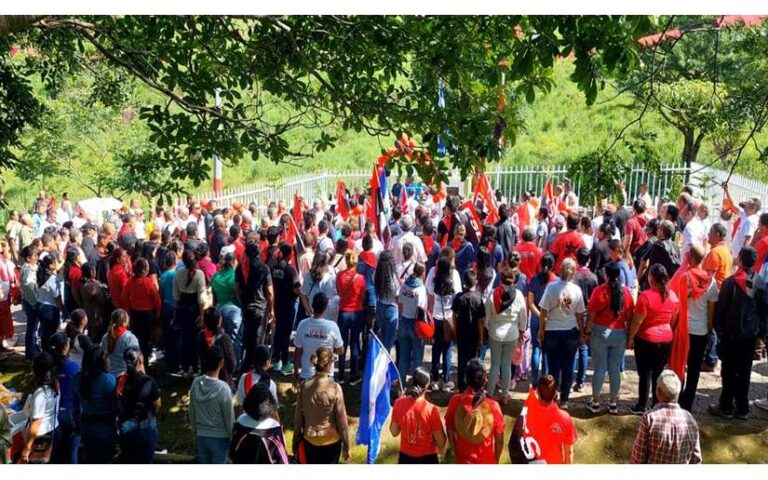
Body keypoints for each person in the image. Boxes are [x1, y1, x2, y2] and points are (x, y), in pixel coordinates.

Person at [709, 247, 768, 420]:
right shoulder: (759, 283)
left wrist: (719, 328)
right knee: (744, 371)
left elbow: (721, 309)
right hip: (749, 335)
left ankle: (725, 406)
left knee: (728, 371)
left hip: (732, 334)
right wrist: (760, 331)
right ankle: (742, 407)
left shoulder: (731, 282)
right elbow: (763, 309)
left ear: (740, 260)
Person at [628, 264, 679, 415]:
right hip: (666, 339)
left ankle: (641, 405)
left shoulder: (646, 296)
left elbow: (637, 321)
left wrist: (630, 338)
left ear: (651, 278)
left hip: (646, 339)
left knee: (645, 374)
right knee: (658, 373)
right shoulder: (673, 296)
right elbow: (673, 319)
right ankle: (657, 404)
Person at [586, 263, 634, 414]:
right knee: (614, 369)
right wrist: (630, 336)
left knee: (600, 368)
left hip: (600, 331)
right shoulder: (625, 292)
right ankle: (613, 403)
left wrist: (587, 331)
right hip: (619, 332)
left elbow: (592, 315)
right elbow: (629, 316)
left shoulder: (599, 291)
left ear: (606, 275)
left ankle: (595, 401)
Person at [538, 258, 585, 409]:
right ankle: (564, 398)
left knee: (553, 367)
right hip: (570, 332)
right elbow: (579, 315)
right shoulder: (576, 291)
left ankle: (552, 396)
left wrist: (541, 329)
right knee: (568, 366)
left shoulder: (551, 288)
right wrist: (582, 332)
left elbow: (543, 311)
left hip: (552, 331)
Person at [675, 246, 718, 412]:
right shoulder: (711, 281)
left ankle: (676, 397)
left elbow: (678, 303)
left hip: (684, 329)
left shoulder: (685, 277)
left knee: (680, 365)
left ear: (689, 257)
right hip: (700, 330)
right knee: (694, 368)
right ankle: (688, 402)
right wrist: (709, 329)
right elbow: (711, 309)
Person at [293, 346, 351, 464]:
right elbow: (342, 422)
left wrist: (295, 442)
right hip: (332, 442)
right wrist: (346, 445)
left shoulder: (304, 386)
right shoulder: (335, 388)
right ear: (328, 364)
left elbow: (298, 418)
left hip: (310, 440)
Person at [631, 370, 702, 464]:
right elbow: (696, 460)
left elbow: (637, 458)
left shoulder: (649, 419)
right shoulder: (690, 420)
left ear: (659, 392)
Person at [444, 359, 504, 464]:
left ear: (465, 379)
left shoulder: (455, 401)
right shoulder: (493, 406)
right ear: (485, 380)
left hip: (462, 460)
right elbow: (499, 441)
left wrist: (456, 453)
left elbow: (450, 431)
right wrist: (496, 460)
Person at [508, 375, 577, 464]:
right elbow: (569, 452)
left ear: (537, 392)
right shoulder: (565, 418)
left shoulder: (528, 410)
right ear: (556, 394)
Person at [485, 268, 527, 403]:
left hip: (495, 333)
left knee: (495, 364)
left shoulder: (492, 294)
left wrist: (489, 327)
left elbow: (487, 317)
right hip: (512, 334)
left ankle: (490, 392)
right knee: (507, 364)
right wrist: (521, 330)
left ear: (500, 280)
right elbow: (523, 315)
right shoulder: (519, 295)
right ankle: (505, 394)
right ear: (513, 281)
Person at [189, 345, 235, 464]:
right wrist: (232, 438)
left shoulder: (196, 383)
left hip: (201, 436)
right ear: (222, 363)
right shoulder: (224, 389)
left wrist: (195, 430)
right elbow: (229, 418)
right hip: (219, 438)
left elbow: (192, 410)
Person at [390, 368, 447, 464]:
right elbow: (441, 442)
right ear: (427, 386)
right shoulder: (431, 410)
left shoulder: (399, 403)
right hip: (428, 458)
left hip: (405, 458)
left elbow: (394, 432)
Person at [73, 345, 117, 463]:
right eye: (107, 357)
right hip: (105, 427)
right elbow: (116, 404)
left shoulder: (78, 378)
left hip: (86, 426)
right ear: (101, 361)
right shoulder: (109, 380)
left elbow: (74, 405)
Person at [425, 249, 461, 391]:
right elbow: (457, 296)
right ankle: (446, 380)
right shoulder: (455, 276)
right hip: (448, 318)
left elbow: (429, 295)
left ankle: (434, 380)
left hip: (435, 318)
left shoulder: (433, 273)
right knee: (447, 350)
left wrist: (430, 313)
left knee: (436, 348)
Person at [117, 348, 161, 464]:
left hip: (125, 426)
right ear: (140, 359)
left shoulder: (121, 380)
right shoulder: (147, 381)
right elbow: (157, 404)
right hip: (144, 427)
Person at [229, 382, 289, 464]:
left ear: (249, 400)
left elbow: (233, 449)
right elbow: (281, 458)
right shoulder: (274, 428)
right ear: (269, 404)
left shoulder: (240, 421)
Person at [293, 292, 344, 383]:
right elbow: (341, 350)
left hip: (306, 376)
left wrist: (296, 374)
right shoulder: (332, 326)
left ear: (312, 305)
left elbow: (297, 354)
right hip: (326, 376)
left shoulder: (302, 324)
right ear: (325, 307)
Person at [20, 352, 59, 464]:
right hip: (52, 430)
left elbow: (37, 423)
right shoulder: (55, 384)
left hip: (40, 439)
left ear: (37, 371)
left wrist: (27, 448)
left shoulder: (41, 394)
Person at [48, 332, 80, 463]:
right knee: (72, 449)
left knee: (56, 450)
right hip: (70, 413)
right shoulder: (73, 367)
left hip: (52, 413)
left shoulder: (49, 366)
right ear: (66, 346)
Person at [335, 250, 366, 385]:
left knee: (342, 343)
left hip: (343, 312)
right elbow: (363, 296)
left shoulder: (339, 275)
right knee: (355, 343)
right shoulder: (360, 278)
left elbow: (338, 292)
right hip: (356, 312)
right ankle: (353, 375)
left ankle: (341, 374)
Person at [174, 249, 207, 375]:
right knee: (195, 339)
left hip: (183, 309)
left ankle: (186, 366)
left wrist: (178, 312)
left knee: (185, 338)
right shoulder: (199, 274)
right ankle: (195, 365)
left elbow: (176, 296)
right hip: (195, 311)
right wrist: (202, 314)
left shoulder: (178, 274)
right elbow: (201, 298)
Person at [451, 271, 486, 392]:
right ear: (475, 282)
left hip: (461, 333)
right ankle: (473, 385)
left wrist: (455, 329)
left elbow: (454, 315)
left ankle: (461, 386)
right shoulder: (478, 299)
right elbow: (481, 321)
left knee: (461, 359)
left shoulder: (459, 297)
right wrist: (481, 337)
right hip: (474, 334)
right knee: (473, 361)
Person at [122, 258, 161, 362]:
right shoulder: (148, 282)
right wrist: (158, 313)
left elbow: (124, 296)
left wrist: (128, 310)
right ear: (145, 269)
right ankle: (145, 358)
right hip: (147, 314)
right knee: (147, 338)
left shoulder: (131, 281)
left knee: (138, 337)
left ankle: (137, 357)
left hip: (135, 313)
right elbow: (156, 299)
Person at [269, 243, 300, 373]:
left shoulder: (273, 267)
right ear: (290, 255)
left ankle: (276, 361)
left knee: (278, 333)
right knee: (285, 334)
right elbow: (297, 288)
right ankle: (286, 362)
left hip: (277, 304)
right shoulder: (291, 270)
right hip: (288, 305)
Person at [398, 263, 429, 378]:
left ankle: (401, 387)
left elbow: (400, 303)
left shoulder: (405, 285)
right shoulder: (420, 289)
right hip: (415, 324)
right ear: (422, 273)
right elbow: (421, 309)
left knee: (403, 357)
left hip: (404, 321)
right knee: (417, 358)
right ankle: (416, 385)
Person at [198, 308, 237, 388]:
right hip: (223, 379)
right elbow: (232, 362)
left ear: (204, 322)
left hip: (205, 377)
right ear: (219, 321)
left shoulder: (200, 336)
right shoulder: (224, 338)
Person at [236, 344, 279, 410]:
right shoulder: (271, 384)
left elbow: (240, 404)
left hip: (246, 417)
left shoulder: (244, 378)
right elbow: (273, 410)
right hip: (263, 418)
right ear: (267, 362)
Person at [159, 251, 181, 374]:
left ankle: (169, 361)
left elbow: (161, 293)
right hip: (176, 307)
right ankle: (177, 363)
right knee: (177, 336)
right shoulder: (177, 275)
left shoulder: (163, 276)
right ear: (175, 261)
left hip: (166, 306)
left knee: (168, 334)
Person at [374, 250, 400, 353]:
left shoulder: (377, 274)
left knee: (382, 339)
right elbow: (397, 295)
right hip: (391, 308)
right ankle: (384, 366)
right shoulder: (393, 278)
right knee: (388, 343)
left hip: (380, 306)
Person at [100, 309, 140, 376]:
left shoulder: (105, 337)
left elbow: (102, 355)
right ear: (124, 322)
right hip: (124, 377)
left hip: (108, 376)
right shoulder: (130, 338)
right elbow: (136, 360)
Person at [36, 254, 63, 353]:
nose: (56, 264)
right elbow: (57, 296)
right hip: (50, 308)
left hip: (40, 304)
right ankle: (49, 354)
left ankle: (44, 352)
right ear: (51, 265)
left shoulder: (40, 274)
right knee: (51, 333)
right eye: (54, 262)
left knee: (45, 333)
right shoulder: (52, 278)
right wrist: (62, 308)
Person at [20, 246, 41, 359]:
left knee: (34, 327)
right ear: (28, 258)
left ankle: (34, 347)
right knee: (32, 327)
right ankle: (30, 351)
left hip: (32, 300)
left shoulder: (32, 267)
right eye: (34, 255)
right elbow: (28, 286)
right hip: (31, 302)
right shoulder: (27, 269)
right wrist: (35, 302)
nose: (37, 257)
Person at [79, 262, 107, 343]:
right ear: (92, 272)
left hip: (87, 310)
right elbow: (102, 300)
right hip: (95, 314)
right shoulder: (92, 286)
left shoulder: (84, 283)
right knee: (95, 335)